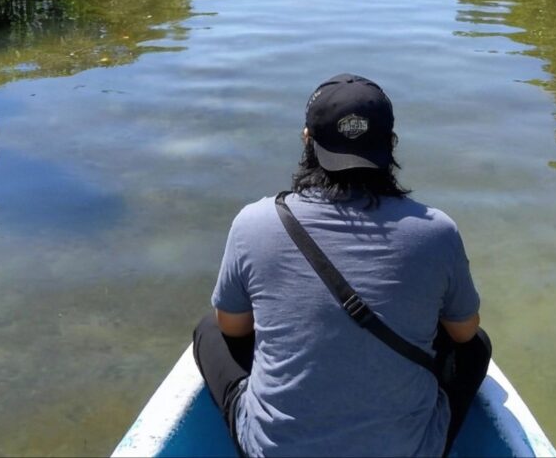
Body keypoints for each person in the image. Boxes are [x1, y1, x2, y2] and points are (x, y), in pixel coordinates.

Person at [193, 73, 491, 457]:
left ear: (307, 140)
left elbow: (233, 327)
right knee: (476, 347)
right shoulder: (437, 231)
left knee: (210, 328)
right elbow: (465, 332)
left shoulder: (254, 223)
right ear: (391, 143)